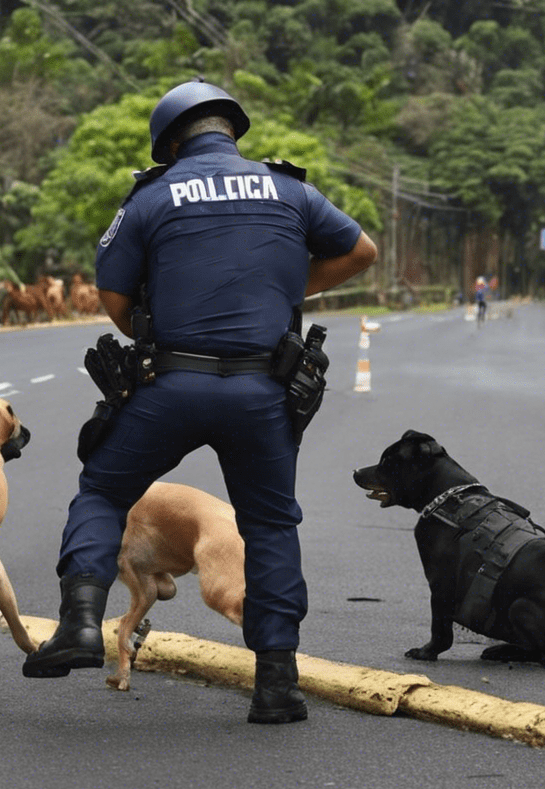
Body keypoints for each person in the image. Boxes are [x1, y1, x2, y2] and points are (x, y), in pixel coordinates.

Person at [21, 79, 377, 723]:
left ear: (169, 143)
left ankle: (78, 624)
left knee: (103, 490)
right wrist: (284, 291)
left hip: (170, 385)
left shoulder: (152, 196)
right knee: (268, 525)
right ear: (233, 131)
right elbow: (360, 251)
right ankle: (276, 685)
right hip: (264, 390)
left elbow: (117, 305)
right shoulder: (290, 189)